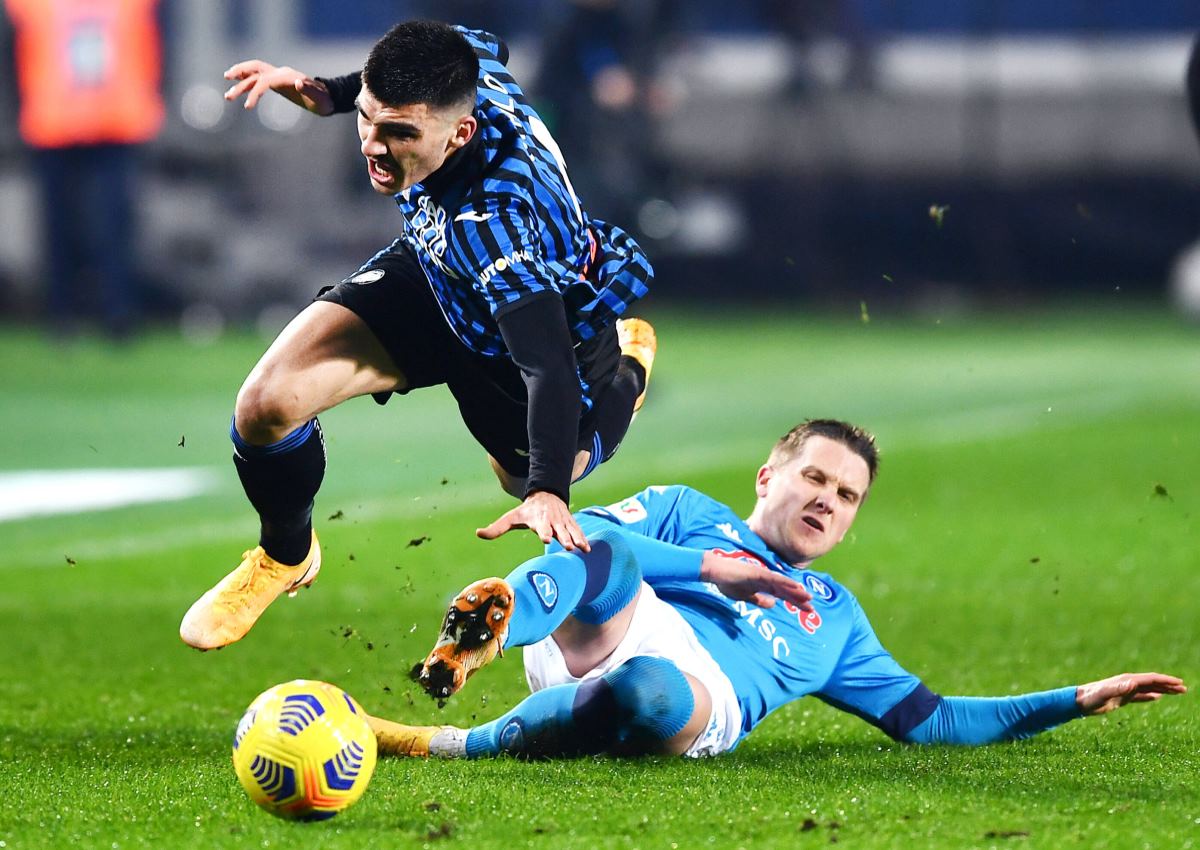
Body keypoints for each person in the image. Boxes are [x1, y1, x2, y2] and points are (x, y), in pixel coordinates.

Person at [179, 21, 657, 651]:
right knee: (265, 405)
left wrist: (548, 491)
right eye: (367, 119)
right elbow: (475, 50)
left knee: (526, 478)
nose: (374, 147)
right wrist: (326, 92)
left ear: (461, 132)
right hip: (436, 274)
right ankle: (285, 555)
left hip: (529, 334)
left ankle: (629, 372)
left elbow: (546, 367)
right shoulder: (460, 62)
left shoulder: (494, 222)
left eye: (401, 134)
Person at [366, 419, 1185, 759]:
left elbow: (932, 721)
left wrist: (1075, 699)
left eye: (847, 495)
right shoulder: (691, 512)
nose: (828, 500)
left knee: (648, 689)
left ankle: (444, 741)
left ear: (852, 519)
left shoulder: (835, 616)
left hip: (695, 694)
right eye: (815, 478)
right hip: (608, 622)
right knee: (602, 550)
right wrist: (712, 569)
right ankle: (479, 640)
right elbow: (573, 540)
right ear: (768, 477)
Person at [4, 0, 164, 339]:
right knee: (60, 226)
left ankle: (118, 314)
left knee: (114, 225)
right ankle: (62, 314)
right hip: (54, 123)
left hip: (115, 121)